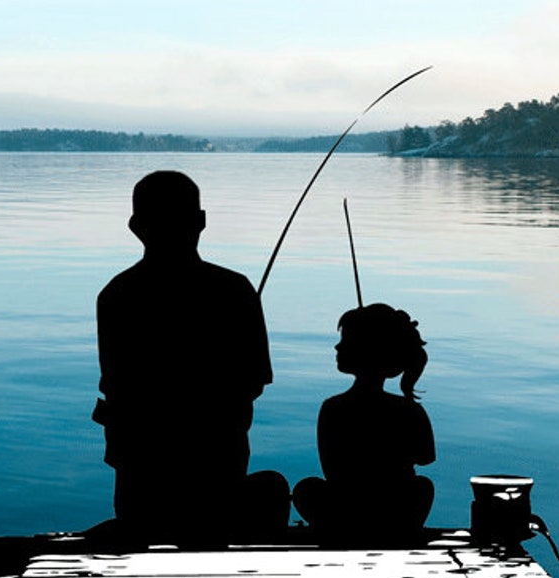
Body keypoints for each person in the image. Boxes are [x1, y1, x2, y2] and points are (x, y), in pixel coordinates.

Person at [94, 170, 286, 547]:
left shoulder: (116, 295)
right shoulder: (234, 289)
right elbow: (254, 381)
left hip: (140, 467)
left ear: (135, 227)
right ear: (200, 221)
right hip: (217, 462)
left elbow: (117, 384)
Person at [292, 303, 435, 546]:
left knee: (306, 489)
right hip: (393, 511)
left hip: (345, 510)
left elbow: (332, 470)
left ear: (365, 351)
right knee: (422, 486)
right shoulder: (410, 410)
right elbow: (425, 457)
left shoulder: (333, 408)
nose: (337, 346)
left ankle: (342, 534)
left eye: (346, 340)